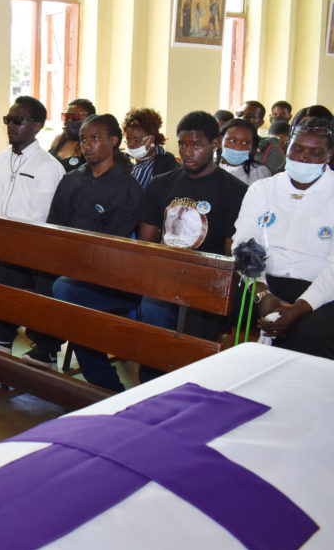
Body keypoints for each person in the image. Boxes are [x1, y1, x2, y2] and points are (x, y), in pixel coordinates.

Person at [56, 111, 248, 392]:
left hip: (203, 284)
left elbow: (232, 253)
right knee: (67, 290)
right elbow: (145, 245)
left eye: (197, 145)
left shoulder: (234, 190)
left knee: (155, 308)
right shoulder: (163, 183)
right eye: (183, 145)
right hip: (157, 275)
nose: (188, 152)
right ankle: (106, 385)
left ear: (215, 143)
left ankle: (154, 390)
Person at [28, 115, 145, 370]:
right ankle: (43, 347)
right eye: (84, 139)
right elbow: (55, 224)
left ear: (113, 141)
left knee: (66, 292)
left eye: (95, 138)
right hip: (67, 259)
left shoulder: (128, 188)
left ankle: (99, 380)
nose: (88, 144)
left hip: (106, 271)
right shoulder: (72, 179)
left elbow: (113, 240)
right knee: (30, 272)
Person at [0, 97, 63, 349]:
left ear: (37, 125)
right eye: (8, 120)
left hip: (34, 246)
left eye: (18, 120)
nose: (11, 125)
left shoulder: (48, 166)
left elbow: (39, 217)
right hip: (1, 243)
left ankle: (3, 333)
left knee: (5, 265)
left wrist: (7, 243)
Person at [233, 117, 334, 359]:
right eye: (297, 149)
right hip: (262, 281)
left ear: (329, 156)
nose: (303, 158)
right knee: (214, 310)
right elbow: (244, 244)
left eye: (314, 152)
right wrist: (262, 293)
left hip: (319, 291)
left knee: (310, 334)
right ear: (286, 148)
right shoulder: (262, 189)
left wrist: (298, 308)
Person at [122, 107, 178, 188]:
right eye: (128, 140)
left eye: (136, 140)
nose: (131, 144)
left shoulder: (166, 164)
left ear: (151, 139)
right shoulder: (124, 161)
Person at [217, 118, 272, 185]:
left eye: (245, 143)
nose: (238, 147)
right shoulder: (207, 170)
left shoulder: (259, 173)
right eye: (232, 141)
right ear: (220, 141)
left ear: (252, 146)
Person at [236, 100, 285, 174]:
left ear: (261, 122)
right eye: (240, 115)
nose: (243, 119)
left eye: (250, 117)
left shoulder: (269, 148)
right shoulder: (227, 142)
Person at [48, 98, 96, 171]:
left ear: (90, 119)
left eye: (75, 116)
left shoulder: (93, 145)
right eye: (67, 116)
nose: (69, 120)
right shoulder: (58, 139)